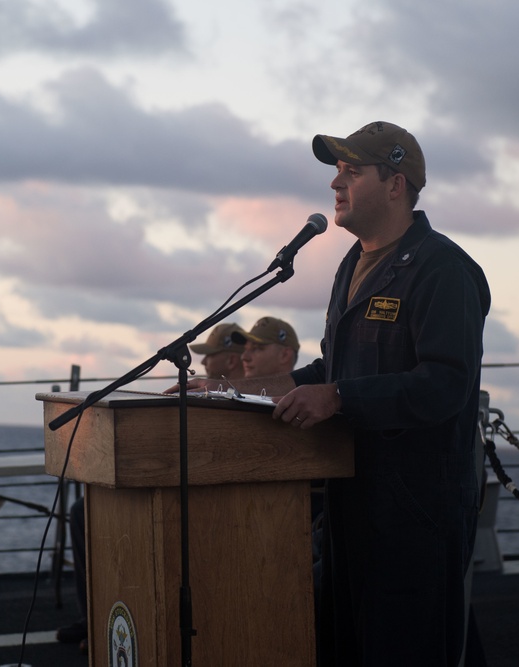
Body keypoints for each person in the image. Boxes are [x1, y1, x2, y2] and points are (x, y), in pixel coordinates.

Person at [175, 121, 490, 665]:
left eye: (351, 171)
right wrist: (230, 388)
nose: (334, 185)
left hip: (414, 514)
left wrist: (340, 397)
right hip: (350, 508)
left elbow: (445, 386)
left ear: (395, 184)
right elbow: (329, 368)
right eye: (336, 172)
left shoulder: (444, 269)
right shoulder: (352, 265)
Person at [55, 321, 250, 653]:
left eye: (210, 356)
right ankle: (99, 617)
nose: (202, 363)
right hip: (178, 479)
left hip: (216, 494)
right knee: (84, 510)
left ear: (230, 360)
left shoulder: (243, 400)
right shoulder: (205, 392)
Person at [231, 316, 299, 378]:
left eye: (256, 348)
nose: (244, 357)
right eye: (245, 349)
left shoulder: (306, 391)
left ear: (285, 355)